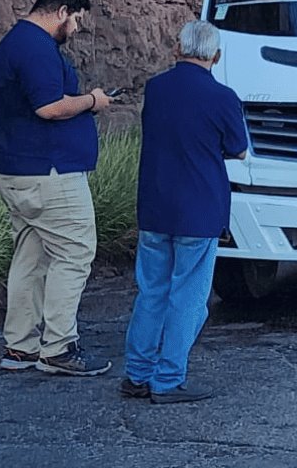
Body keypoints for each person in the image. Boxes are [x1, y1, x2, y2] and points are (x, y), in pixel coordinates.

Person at [0, 0, 113, 376]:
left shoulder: (14, 43)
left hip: (16, 170)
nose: (75, 30)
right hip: (49, 174)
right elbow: (49, 107)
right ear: (61, 12)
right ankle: (58, 348)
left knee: (31, 256)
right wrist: (93, 101)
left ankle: (20, 346)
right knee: (74, 252)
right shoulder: (36, 48)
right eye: (75, 20)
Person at [121, 20, 247, 404]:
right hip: (200, 208)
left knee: (151, 292)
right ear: (217, 56)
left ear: (178, 49)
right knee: (188, 297)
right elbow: (239, 149)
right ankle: (168, 379)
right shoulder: (223, 97)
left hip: (155, 206)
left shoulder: (155, 89)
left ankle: (136, 374)